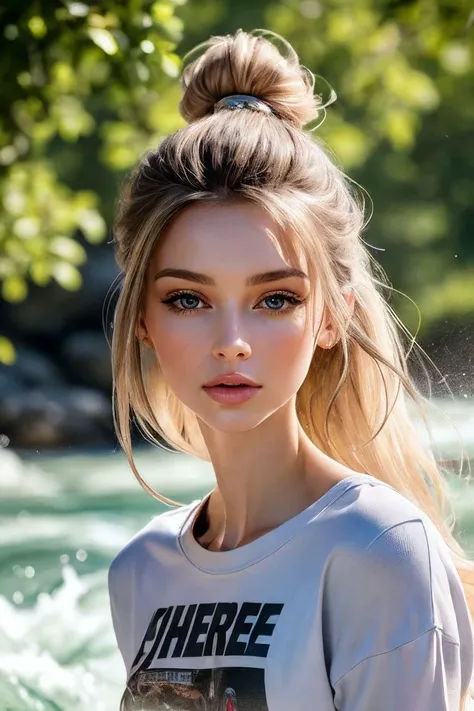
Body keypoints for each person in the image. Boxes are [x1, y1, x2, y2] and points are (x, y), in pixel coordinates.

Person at [107, 28, 474, 711]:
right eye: (189, 298)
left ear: (331, 317)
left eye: (275, 299)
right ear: (143, 321)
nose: (233, 341)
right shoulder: (139, 571)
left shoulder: (380, 554)